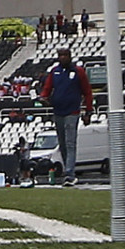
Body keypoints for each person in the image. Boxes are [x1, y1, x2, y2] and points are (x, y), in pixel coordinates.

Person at [39, 46, 93, 185]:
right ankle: (67, 169)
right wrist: (43, 97)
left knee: (70, 143)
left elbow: (87, 91)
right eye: (60, 55)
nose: (63, 57)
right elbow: (47, 87)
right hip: (58, 111)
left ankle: (70, 173)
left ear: (70, 56)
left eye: (65, 55)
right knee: (62, 144)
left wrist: (88, 111)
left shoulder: (78, 71)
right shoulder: (55, 72)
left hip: (72, 111)